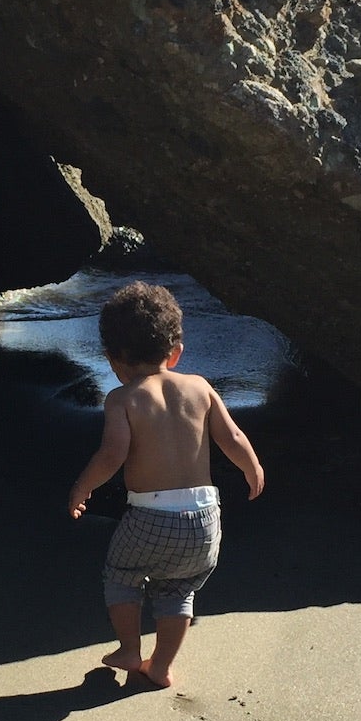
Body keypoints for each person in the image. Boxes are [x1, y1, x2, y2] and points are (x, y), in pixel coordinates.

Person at [69, 281, 264, 688]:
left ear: (112, 358)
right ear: (176, 352)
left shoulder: (123, 399)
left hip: (150, 517)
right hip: (206, 517)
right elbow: (233, 438)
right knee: (179, 589)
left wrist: (82, 488)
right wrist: (252, 468)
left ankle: (128, 648)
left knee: (122, 575)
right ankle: (161, 665)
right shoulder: (200, 387)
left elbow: (111, 456)